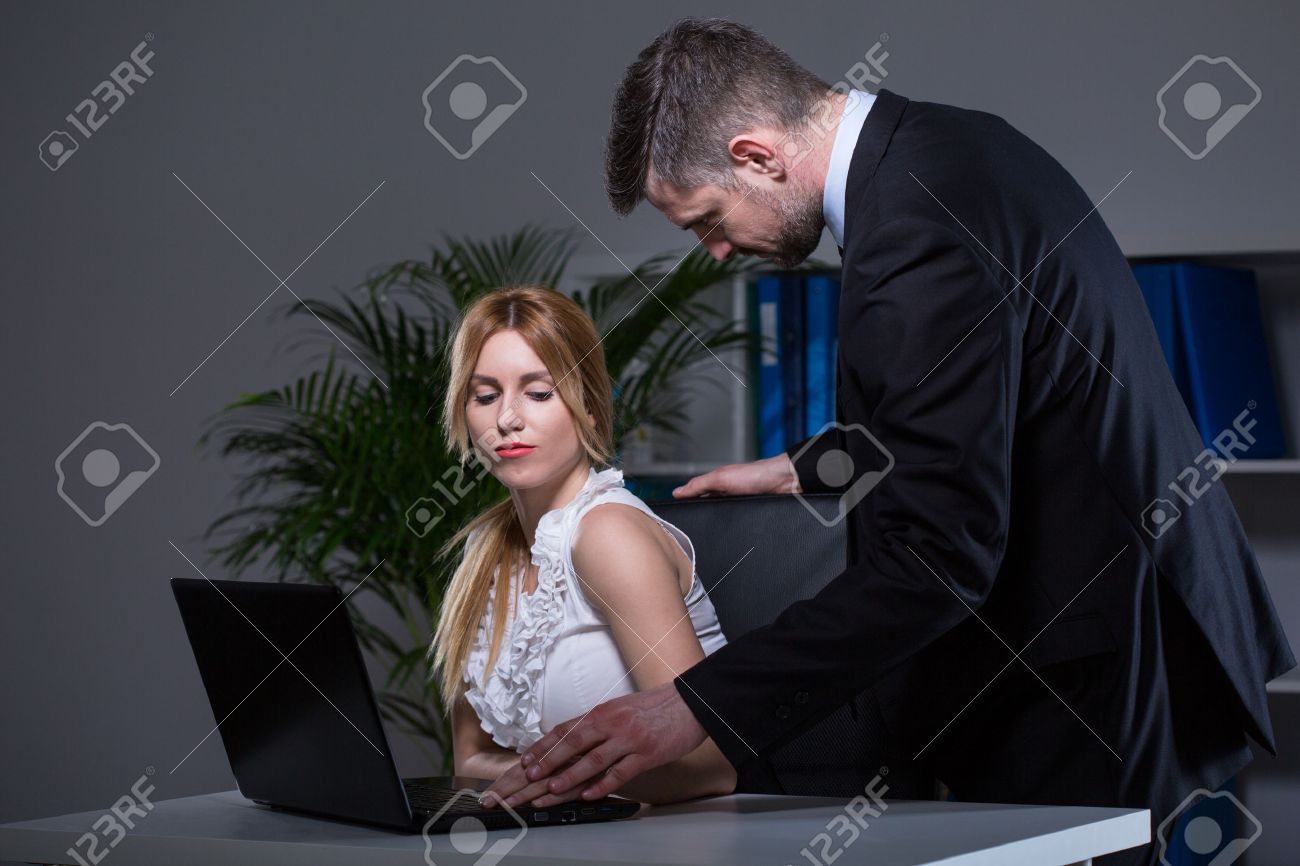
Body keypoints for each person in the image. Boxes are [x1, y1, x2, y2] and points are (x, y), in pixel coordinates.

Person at [482, 18, 1296, 865]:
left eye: (707, 221)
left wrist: (693, 705)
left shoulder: (915, 230)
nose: (715, 252)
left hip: (1080, 666)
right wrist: (806, 467)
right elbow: (992, 397)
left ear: (756, 156)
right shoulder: (946, 146)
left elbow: (939, 558)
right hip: (1114, 621)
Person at [427, 285, 737, 807]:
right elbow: (469, 763)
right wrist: (549, 779)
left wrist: (540, 779)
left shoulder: (607, 534)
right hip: (558, 835)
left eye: (538, 393)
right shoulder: (483, 553)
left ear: (590, 408)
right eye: (485, 396)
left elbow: (710, 766)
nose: (506, 420)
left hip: (672, 838)